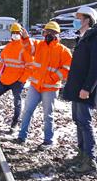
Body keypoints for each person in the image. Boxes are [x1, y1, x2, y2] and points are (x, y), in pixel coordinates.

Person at [62, 6, 97, 174]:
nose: (76, 21)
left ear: (88, 20)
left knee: (85, 122)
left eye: (79, 18)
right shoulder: (83, 38)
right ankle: (81, 154)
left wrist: (87, 88)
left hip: (84, 90)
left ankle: (90, 159)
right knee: (78, 120)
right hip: (77, 88)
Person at [17, 21, 72, 149]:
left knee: (48, 115)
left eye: (50, 32)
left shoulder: (63, 51)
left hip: (50, 88)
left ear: (56, 34)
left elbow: (67, 69)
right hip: (35, 86)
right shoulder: (39, 45)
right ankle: (22, 137)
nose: (47, 34)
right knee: (27, 111)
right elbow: (28, 47)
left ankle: (48, 141)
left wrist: (52, 78)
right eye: (46, 32)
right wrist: (25, 37)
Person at [0, 23, 30, 131]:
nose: (15, 34)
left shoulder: (24, 47)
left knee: (17, 102)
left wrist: (22, 80)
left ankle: (15, 123)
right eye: (13, 33)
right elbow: (3, 63)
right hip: (5, 79)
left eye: (17, 33)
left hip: (17, 81)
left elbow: (29, 66)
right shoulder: (8, 46)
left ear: (21, 33)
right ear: (11, 34)